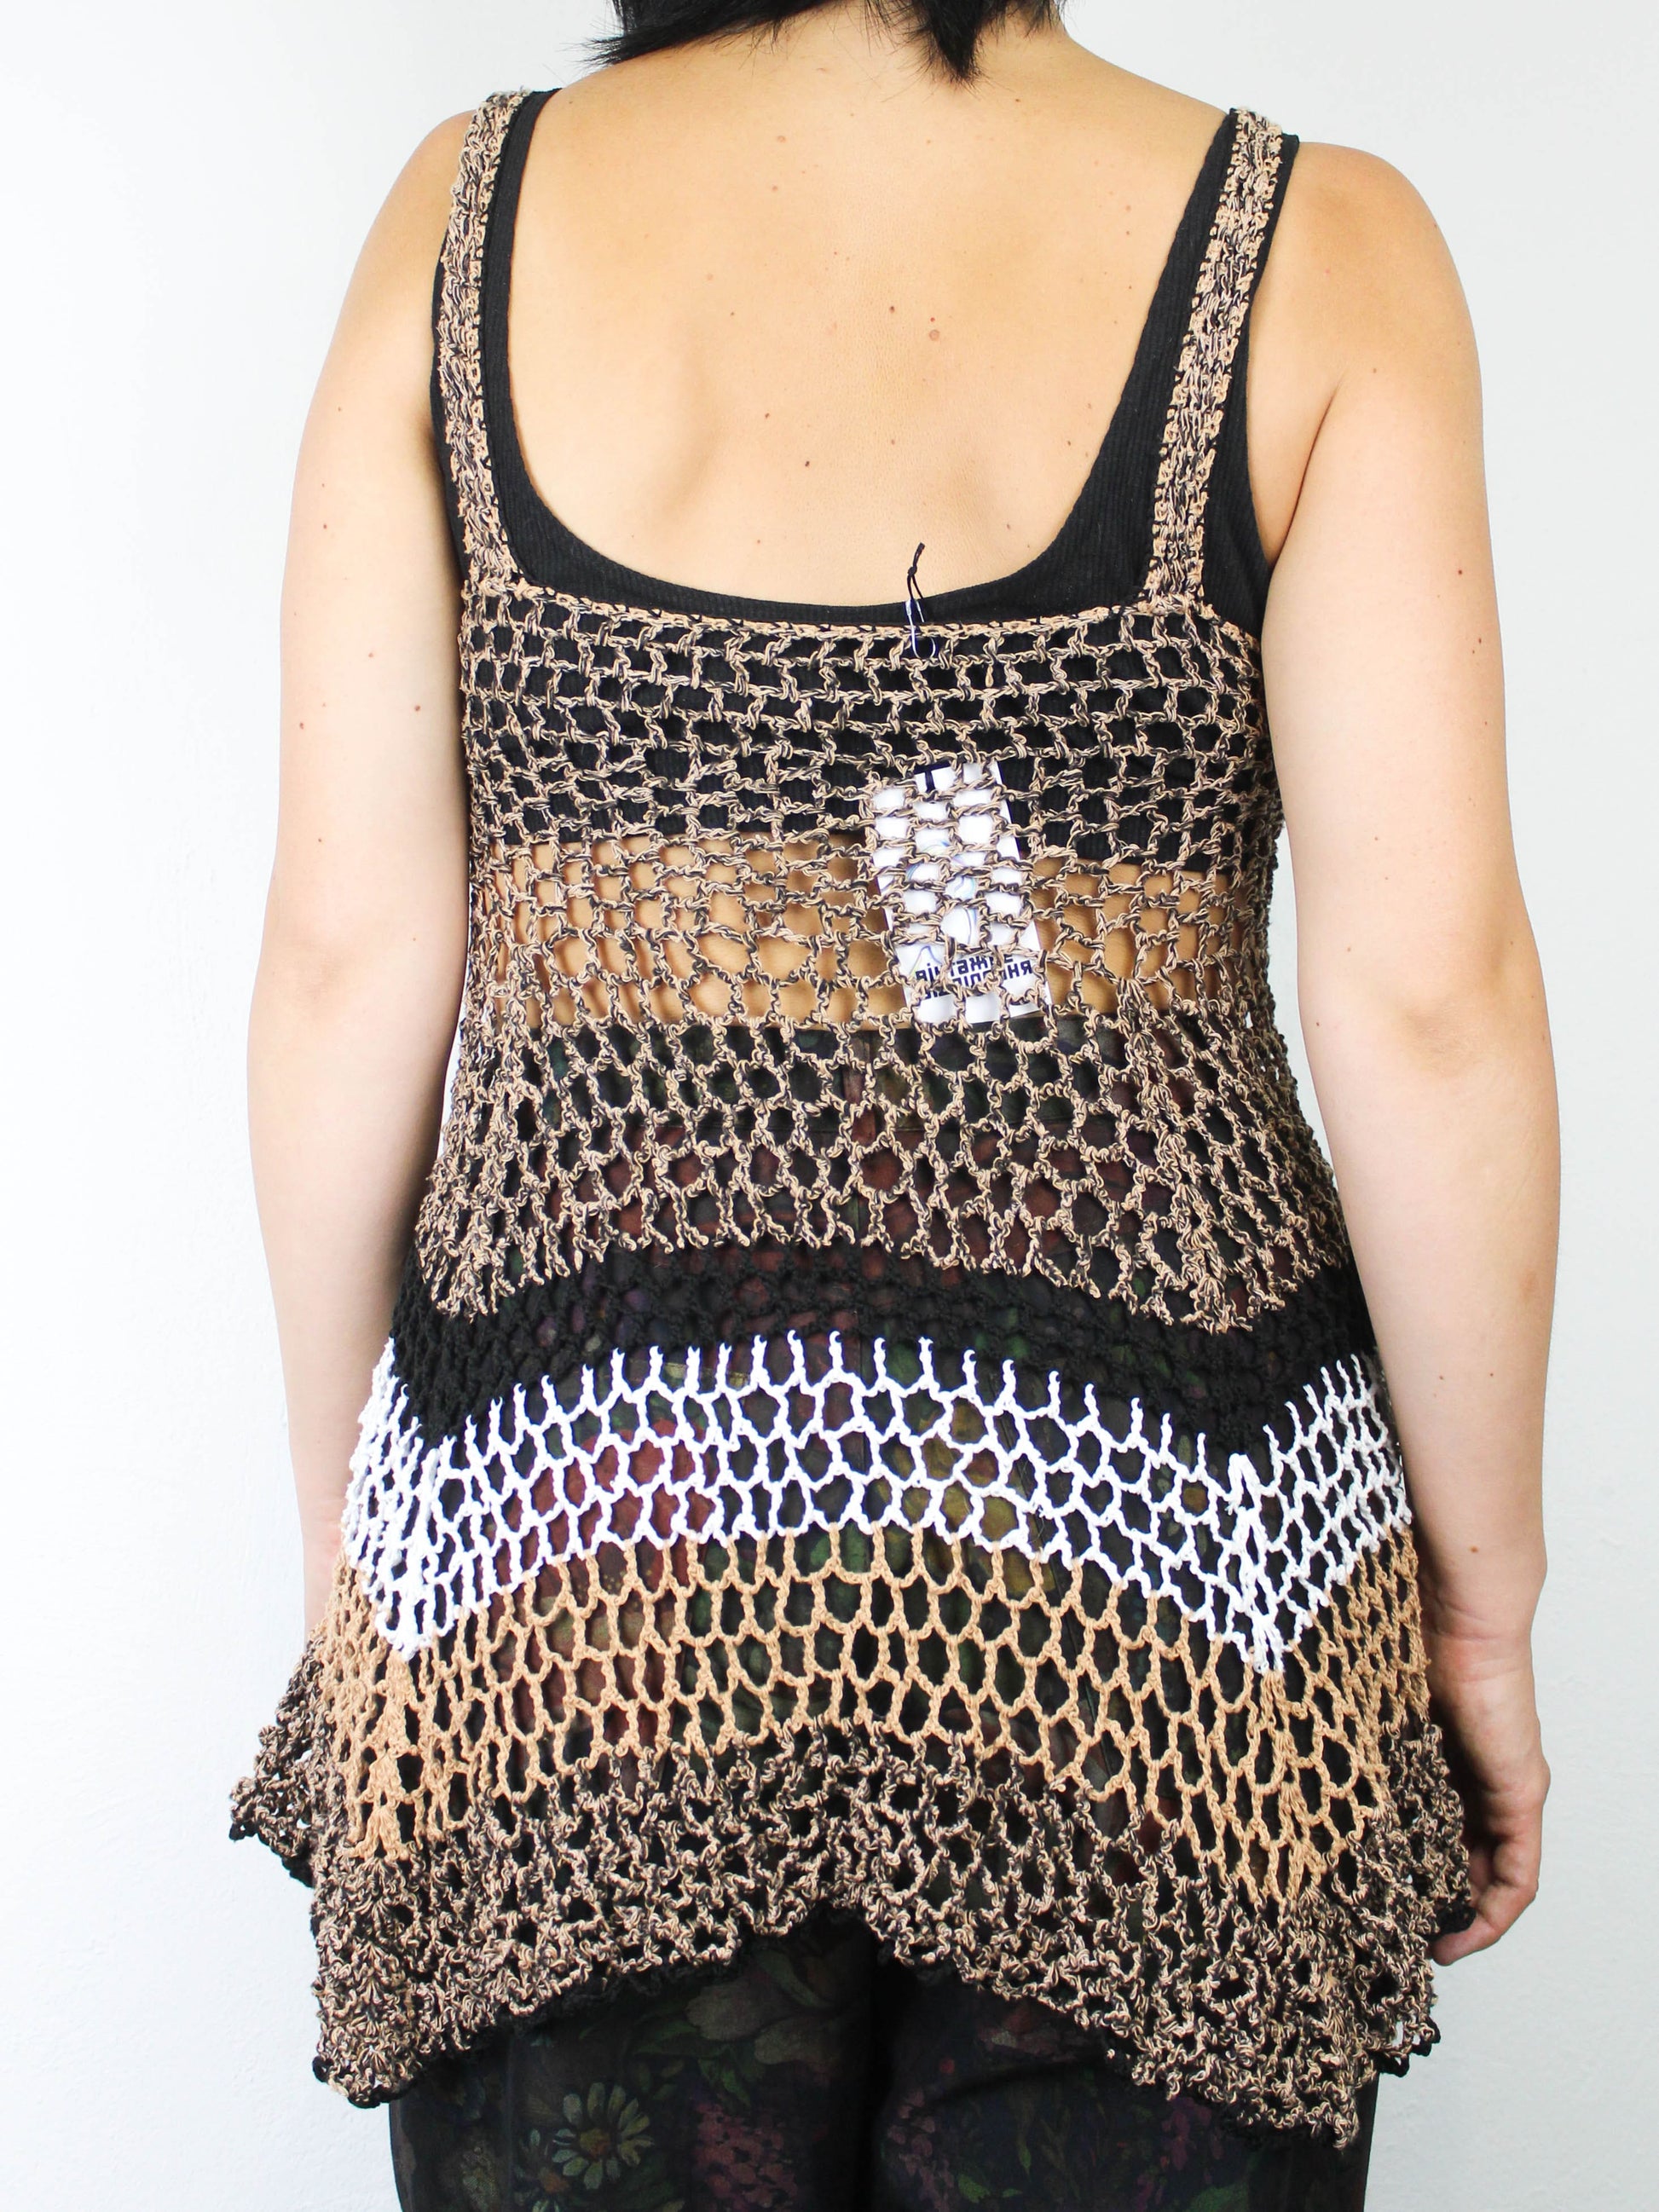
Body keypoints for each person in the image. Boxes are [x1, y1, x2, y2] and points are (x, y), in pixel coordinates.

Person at [233, 3, 1557, 2204]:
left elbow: (346, 962)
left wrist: (349, 1542)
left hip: (582, 1557)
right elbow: (1426, 1003)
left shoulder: (466, 221)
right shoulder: (1315, 244)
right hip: (1166, 1582)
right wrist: (1480, 1610)